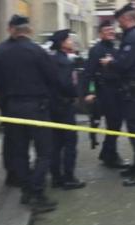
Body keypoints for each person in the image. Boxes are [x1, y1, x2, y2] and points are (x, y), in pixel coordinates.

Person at [0, 15, 71, 212]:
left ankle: (26, 191)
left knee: (19, 152)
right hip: (36, 107)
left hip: (13, 106)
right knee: (45, 152)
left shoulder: (2, 50)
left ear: (12, 29)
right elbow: (53, 78)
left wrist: (5, 83)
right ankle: (36, 192)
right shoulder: (36, 51)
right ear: (28, 30)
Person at [100, 3, 135, 186]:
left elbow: (124, 64)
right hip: (129, 87)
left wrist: (110, 62)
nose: (117, 25)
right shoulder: (131, 36)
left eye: (119, 21)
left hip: (132, 88)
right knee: (132, 128)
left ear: (125, 19)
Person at [83, 20, 130, 169]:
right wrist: (90, 92)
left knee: (115, 124)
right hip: (105, 91)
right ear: (100, 33)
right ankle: (111, 156)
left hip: (117, 90)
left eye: (112, 29)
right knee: (114, 124)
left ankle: (107, 153)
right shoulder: (96, 50)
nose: (110, 32)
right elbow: (88, 74)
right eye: (107, 30)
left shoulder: (116, 47)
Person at [48, 29, 86, 190]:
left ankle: (56, 177)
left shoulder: (52, 59)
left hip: (53, 106)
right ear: (62, 44)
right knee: (70, 143)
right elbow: (66, 84)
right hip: (64, 107)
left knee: (56, 144)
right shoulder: (65, 62)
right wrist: (75, 94)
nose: (72, 42)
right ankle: (69, 178)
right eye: (69, 40)